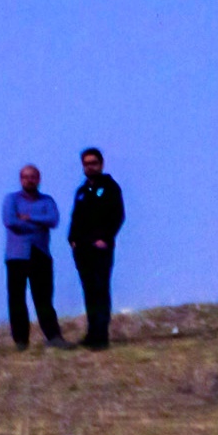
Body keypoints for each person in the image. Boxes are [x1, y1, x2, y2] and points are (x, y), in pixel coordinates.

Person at [2, 164, 68, 350]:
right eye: (25, 176)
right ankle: (21, 341)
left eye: (33, 176)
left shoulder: (47, 201)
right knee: (17, 299)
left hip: (40, 254)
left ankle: (54, 337)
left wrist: (28, 218)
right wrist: (38, 223)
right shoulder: (12, 199)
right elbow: (11, 221)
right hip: (17, 256)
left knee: (44, 298)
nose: (29, 180)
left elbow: (53, 220)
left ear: (39, 179)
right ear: (20, 179)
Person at [68, 146, 125, 350]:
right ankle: (92, 334)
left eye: (93, 163)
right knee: (89, 291)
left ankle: (102, 336)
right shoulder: (82, 191)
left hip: (101, 248)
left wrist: (105, 238)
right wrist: (72, 239)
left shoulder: (110, 187)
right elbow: (75, 218)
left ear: (101, 164)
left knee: (101, 290)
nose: (90, 167)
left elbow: (118, 215)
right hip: (82, 249)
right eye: (86, 164)